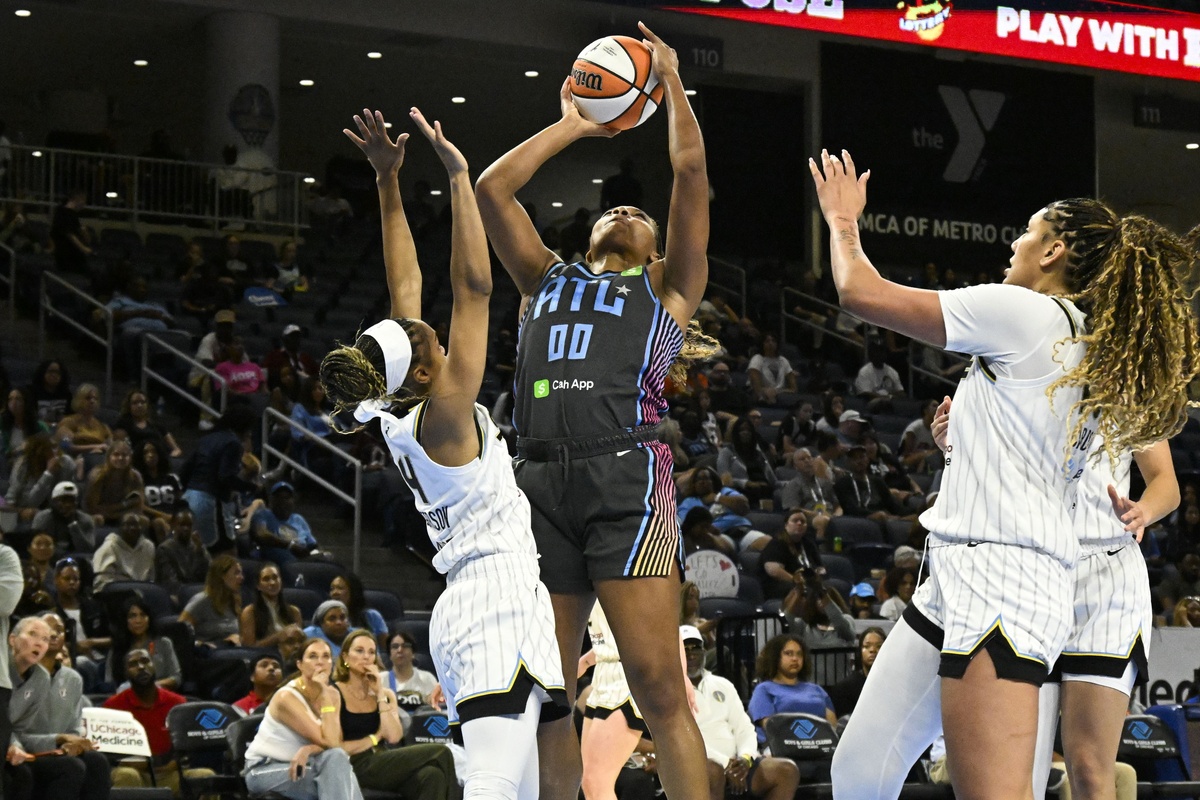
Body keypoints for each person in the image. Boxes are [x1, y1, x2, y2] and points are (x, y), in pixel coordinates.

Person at [811, 149, 1198, 800]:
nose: (1014, 243)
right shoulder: (1090, 344)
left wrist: (843, 222)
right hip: (961, 573)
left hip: (1004, 578)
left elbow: (859, 294)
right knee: (858, 772)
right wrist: (961, 446)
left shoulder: (1028, 315)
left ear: (1054, 251)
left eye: (1027, 231)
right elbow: (1040, 457)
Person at [476, 29, 713, 796]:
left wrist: (670, 84)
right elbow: (490, 191)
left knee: (658, 689)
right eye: (611, 207)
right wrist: (575, 125)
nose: (623, 209)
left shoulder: (666, 290)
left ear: (655, 249)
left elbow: (688, 169)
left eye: (638, 212)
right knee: (548, 692)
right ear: (589, 234)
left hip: (626, 482)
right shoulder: (543, 276)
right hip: (537, 484)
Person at [319, 107, 565, 800]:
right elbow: (475, 288)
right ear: (424, 373)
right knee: (489, 785)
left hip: (484, 597)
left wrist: (389, 182)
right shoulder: (447, 414)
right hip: (492, 596)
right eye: (426, 339)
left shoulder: (397, 400)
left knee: (514, 789)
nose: (429, 329)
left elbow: (407, 286)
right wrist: (459, 178)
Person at [932, 401, 1179, 800]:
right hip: (1032, 568)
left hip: (1107, 576)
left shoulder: (1129, 389)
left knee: (1089, 767)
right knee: (1024, 771)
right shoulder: (1022, 369)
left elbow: (1166, 481)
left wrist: (1143, 511)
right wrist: (952, 448)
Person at [578, 602, 694, 800]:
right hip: (603, 673)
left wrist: (681, 676)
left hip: (628, 677)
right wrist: (585, 661)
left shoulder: (633, 575)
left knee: (597, 783)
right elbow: (613, 636)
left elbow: (665, 623)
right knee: (589, 782)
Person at [333, 629, 457, 799]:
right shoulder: (334, 693)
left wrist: (379, 695)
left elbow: (393, 737)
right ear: (345, 657)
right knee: (442, 752)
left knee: (432, 775)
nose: (366, 657)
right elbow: (337, 747)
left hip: (382, 759)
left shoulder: (385, 694)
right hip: (354, 763)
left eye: (371, 652)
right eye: (359, 651)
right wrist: (375, 738)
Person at [683, 626, 799, 800]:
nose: (691, 655)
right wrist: (725, 763)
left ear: (704, 652)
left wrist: (745, 759)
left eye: (695, 648)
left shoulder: (723, 684)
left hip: (736, 764)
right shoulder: (670, 690)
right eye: (685, 650)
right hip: (701, 765)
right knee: (713, 771)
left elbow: (744, 728)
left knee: (787, 770)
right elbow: (684, 740)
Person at [242, 637, 362, 799]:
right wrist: (326, 696)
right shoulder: (286, 697)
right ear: (300, 664)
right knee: (339, 779)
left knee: (337, 760)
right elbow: (328, 741)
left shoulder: (333, 694)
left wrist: (309, 749)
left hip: (306, 765)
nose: (320, 662)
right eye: (313, 656)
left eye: (326, 656)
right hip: (265, 769)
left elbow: (336, 743)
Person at [6, 615, 111, 800]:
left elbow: (73, 728)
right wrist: (58, 739)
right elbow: (16, 731)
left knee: (97, 761)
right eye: (34, 634)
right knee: (70, 767)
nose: (47, 638)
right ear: (12, 639)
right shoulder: (7, 672)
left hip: (43, 749)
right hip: (22, 748)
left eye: (46, 637)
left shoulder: (44, 678)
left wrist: (72, 743)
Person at [105, 649, 218, 793]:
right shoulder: (113, 705)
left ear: (154, 665)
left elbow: (186, 746)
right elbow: (107, 751)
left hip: (169, 773)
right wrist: (124, 762)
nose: (141, 667)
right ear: (126, 673)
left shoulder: (177, 702)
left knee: (206, 775)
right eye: (133, 664)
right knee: (126, 775)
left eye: (145, 661)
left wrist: (174, 763)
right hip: (134, 772)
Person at [179, 403, 259, 550]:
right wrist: (251, 487)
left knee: (194, 549)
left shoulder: (206, 439)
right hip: (210, 502)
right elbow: (225, 476)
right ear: (243, 426)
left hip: (189, 498)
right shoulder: (233, 443)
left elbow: (185, 470)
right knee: (226, 552)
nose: (249, 433)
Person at [747, 634, 837, 745]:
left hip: (820, 747)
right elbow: (770, 727)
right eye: (788, 654)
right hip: (780, 749)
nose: (795, 659)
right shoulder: (764, 690)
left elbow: (832, 728)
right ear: (775, 657)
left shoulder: (817, 690)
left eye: (799, 654)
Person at [105, 596, 181, 690]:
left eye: (143, 615)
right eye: (132, 616)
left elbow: (176, 678)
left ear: (149, 619)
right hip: (127, 697)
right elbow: (109, 682)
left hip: (159, 694)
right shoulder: (118, 647)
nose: (138, 621)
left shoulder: (164, 643)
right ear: (125, 620)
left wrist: (150, 687)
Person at [5, 433, 75, 528]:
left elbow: (64, 498)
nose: (54, 456)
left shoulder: (66, 463)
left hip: (55, 515)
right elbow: (32, 503)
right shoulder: (23, 465)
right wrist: (48, 474)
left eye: (54, 448)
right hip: (25, 513)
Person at [179, 554, 243, 648]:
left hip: (231, 652)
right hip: (208, 654)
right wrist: (206, 645)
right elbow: (179, 633)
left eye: (241, 573)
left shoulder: (234, 601)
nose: (242, 577)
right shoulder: (202, 600)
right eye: (236, 573)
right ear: (222, 576)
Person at [758, 511, 823, 600]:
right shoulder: (777, 543)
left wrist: (820, 575)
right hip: (780, 585)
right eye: (795, 520)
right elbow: (774, 571)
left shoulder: (808, 543)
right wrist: (797, 581)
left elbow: (820, 566)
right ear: (786, 525)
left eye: (803, 521)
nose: (799, 523)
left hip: (806, 582)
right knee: (807, 592)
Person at [252, 481, 320, 565]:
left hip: (303, 564)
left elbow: (312, 544)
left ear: (293, 501)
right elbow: (262, 534)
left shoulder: (298, 519)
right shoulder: (263, 514)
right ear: (272, 500)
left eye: (287, 498)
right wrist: (290, 545)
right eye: (279, 497)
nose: (283, 501)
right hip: (277, 566)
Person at [84, 439, 147, 527]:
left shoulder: (135, 476)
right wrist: (124, 505)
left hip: (125, 515)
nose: (120, 458)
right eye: (116, 454)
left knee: (144, 520)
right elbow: (93, 508)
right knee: (97, 519)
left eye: (125, 455)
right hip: (101, 515)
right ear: (109, 457)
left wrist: (119, 512)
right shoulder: (97, 475)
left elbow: (139, 506)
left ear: (130, 457)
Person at [154, 510, 211, 607]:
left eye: (189, 525)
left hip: (199, 594)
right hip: (175, 597)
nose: (186, 528)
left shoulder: (198, 546)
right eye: (182, 525)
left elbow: (210, 573)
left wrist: (200, 552)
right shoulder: (165, 549)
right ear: (173, 526)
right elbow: (170, 582)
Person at [241, 562, 304, 649]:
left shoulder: (294, 611)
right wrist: (278, 636)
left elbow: (299, 643)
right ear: (258, 586)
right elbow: (249, 648)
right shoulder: (250, 612)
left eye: (275, 577)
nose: (272, 583)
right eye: (266, 579)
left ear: (280, 580)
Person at [828, 627, 886, 717]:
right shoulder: (844, 688)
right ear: (859, 651)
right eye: (867, 646)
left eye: (879, 646)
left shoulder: (896, 686)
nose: (873, 650)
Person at [92, 511, 155, 591]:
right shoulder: (108, 548)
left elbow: (152, 577)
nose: (132, 528)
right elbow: (101, 584)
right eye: (128, 525)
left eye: (135, 524)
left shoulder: (148, 546)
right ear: (119, 528)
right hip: (118, 594)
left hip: (145, 592)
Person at [32, 482, 96, 555]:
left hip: (77, 559)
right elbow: (38, 548)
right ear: (54, 501)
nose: (68, 505)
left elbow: (87, 549)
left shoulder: (85, 519)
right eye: (63, 500)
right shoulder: (43, 518)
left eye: (71, 501)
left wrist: (73, 524)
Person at [328, 573, 387, 647]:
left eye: (340, 588)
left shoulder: (372, 616)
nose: (334, 593)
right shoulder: (326, 619)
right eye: (332, 589)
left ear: (353, 592)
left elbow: (386, 649)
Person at [747, 334, 798, 407]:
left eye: (773, 341)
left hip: (779, 393)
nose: (771, 343)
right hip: (760, 393)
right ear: (762, 344)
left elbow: (793, 389)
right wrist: (765, 391)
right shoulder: (757, 358)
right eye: (767, 341)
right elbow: (756, 385)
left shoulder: (783, 360)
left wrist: (778, 391)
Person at [27, 360, 72, 425]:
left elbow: (70, 417)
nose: (54, 375)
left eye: (58, 372)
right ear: (42, 372)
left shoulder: (66, 394)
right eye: (50, 371)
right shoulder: (31, 392)